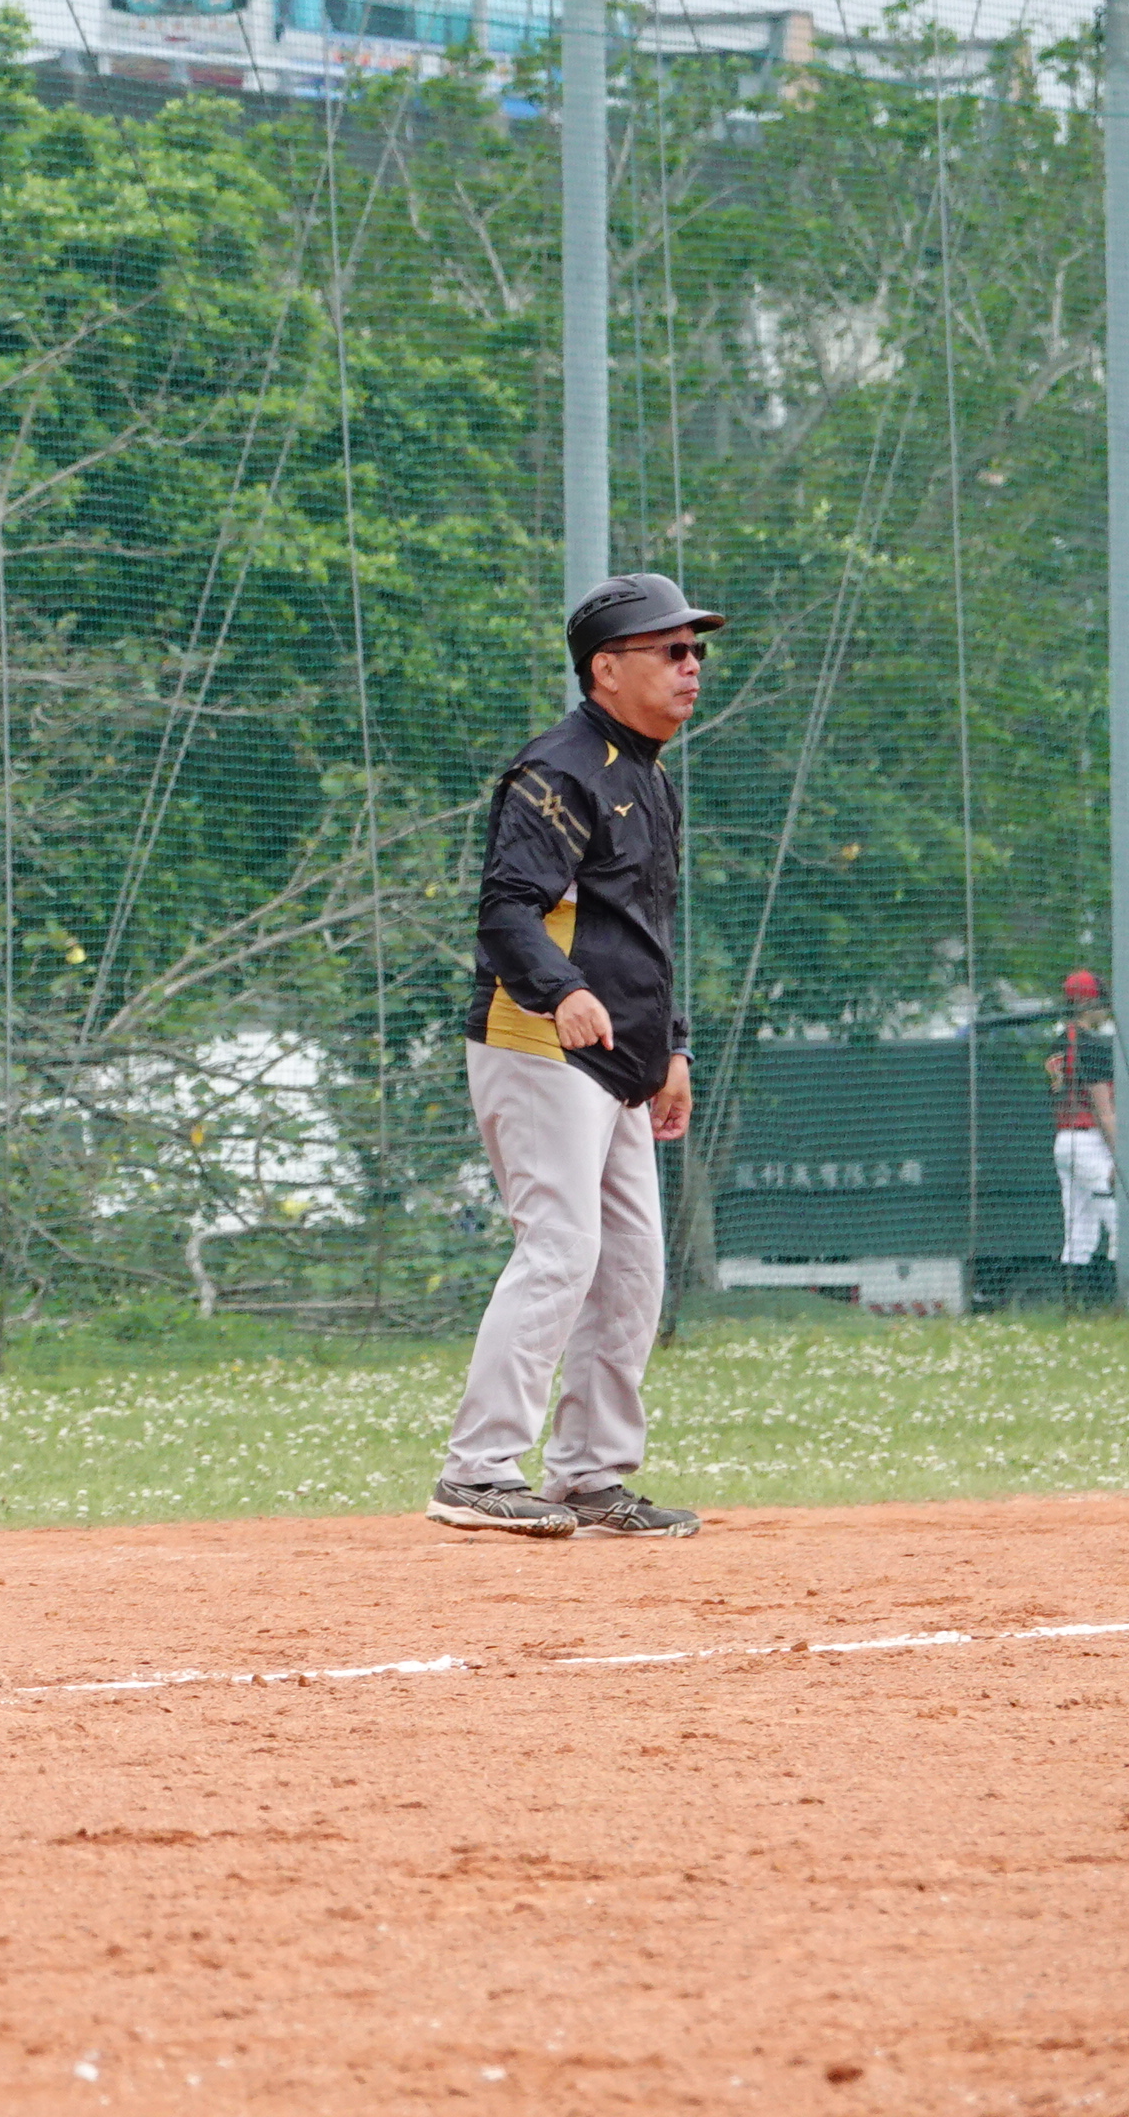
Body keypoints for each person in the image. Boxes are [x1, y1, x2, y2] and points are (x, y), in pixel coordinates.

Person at [431, 572, 724, 1541]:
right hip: (538, 1040)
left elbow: (645, 933)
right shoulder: (558, 772)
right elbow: (506, 912)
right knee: (561, 1247)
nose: (692, 666)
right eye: (669, 650)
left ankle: (590, 1476)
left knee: (632, 1266)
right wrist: (562, 992)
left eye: (696, 650)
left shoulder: (648, 777)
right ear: (606, 669)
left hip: (618, 1060)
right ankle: (477, 1470)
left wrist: (671, 1047)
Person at [1048, 970, 1121, 1275]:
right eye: (1101, 1001)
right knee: (1124, 1222)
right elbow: (1103, 1111)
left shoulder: (1057, 1042)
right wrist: (1121, 1156)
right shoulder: (1091, 1045)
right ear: (1085, 1003)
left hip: (1064, 1139)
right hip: (1090, 1140)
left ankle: (1073, 1297)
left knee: (1079, 1231)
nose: (1105, 1008)